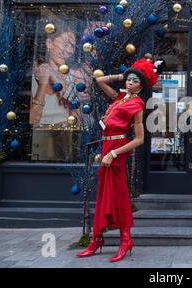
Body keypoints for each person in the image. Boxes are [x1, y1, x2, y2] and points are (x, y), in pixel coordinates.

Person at [76, 57, 164, 262]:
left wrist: (113, 154)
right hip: (107, 146)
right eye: (129, 80)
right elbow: (100, 81)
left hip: (117, 149)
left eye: (135, 81)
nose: (130, 83)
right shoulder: (119, 98)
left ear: (141, 86)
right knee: (105, 194)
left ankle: (125, 240)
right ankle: (97, 238)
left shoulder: (137, 104)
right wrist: (122, 75)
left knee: (118, 194)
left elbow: (140, 139)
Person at [29, 28, 89, 126]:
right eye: (65, 44)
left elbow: (78, 123)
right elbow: (33, 119)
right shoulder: (37, 74)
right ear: (49, 43)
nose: (69, 51)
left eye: (72, 46)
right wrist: (44, 82)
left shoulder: (76, 76)